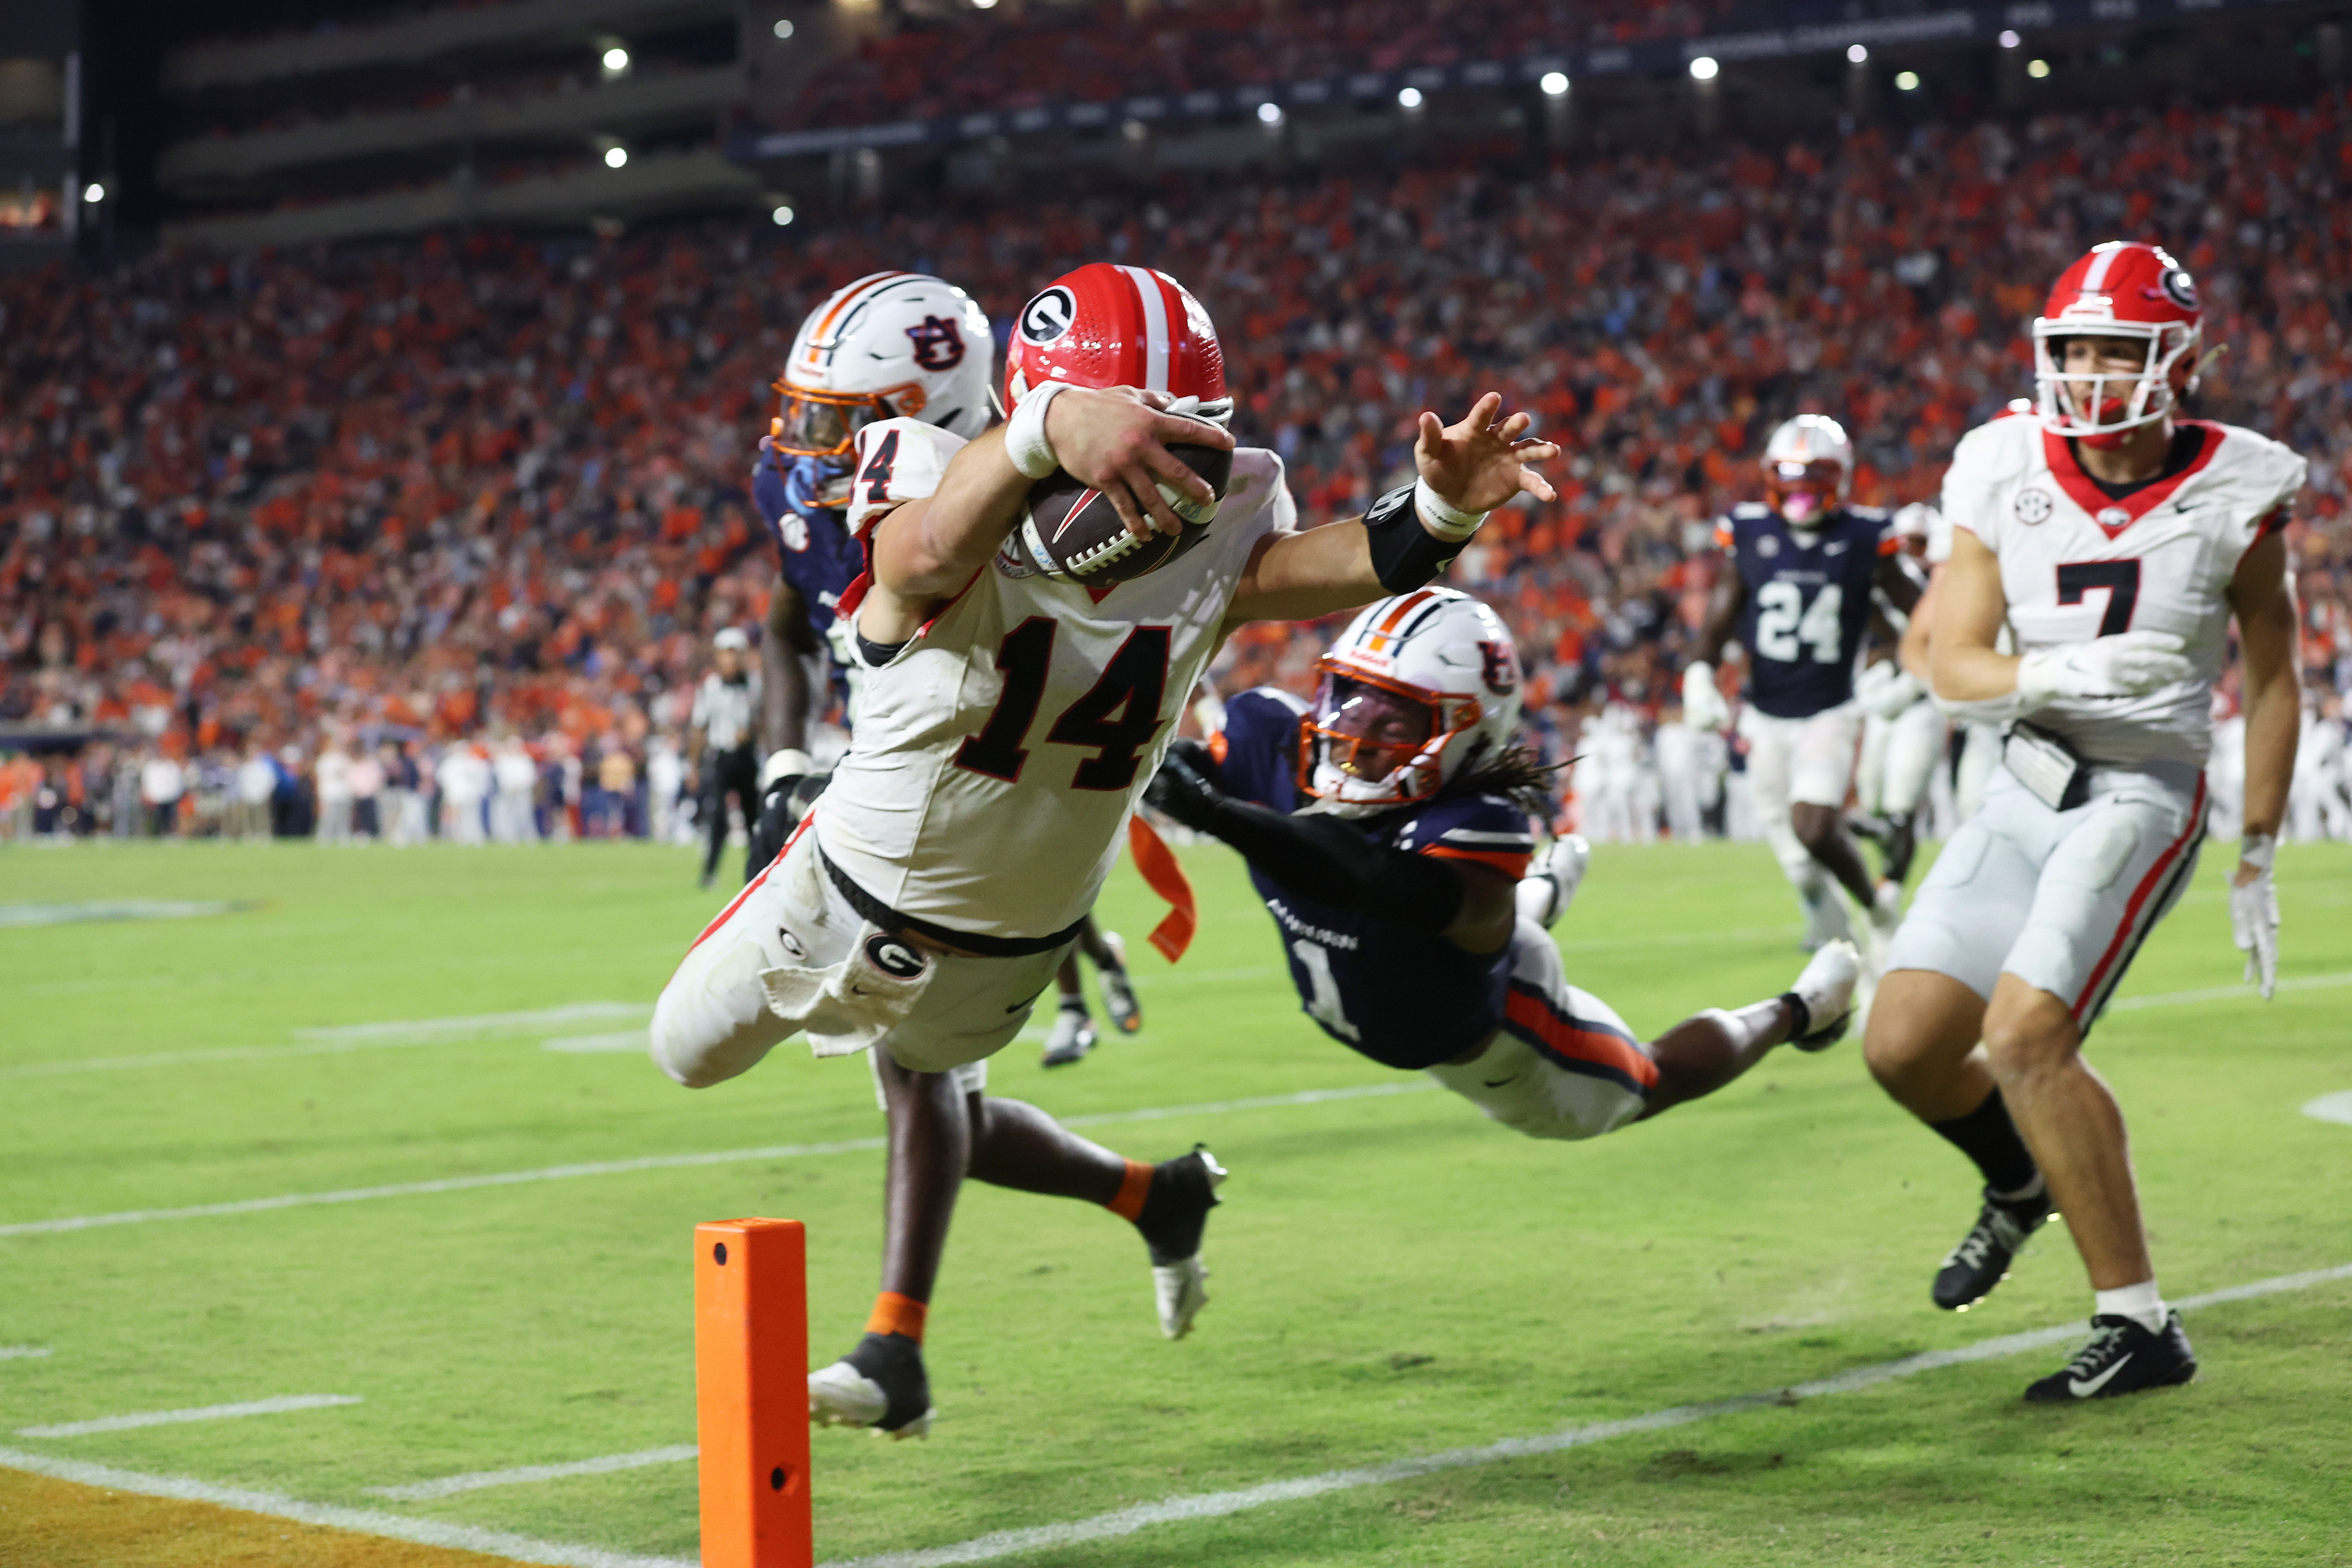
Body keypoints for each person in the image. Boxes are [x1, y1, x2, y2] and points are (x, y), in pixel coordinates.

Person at [651, 260, 1559, 1438]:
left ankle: (972, 1298)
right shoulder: (943, 471)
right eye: (1140, 437)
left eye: (1188, 445)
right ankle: (1111, 1218)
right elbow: (917, 559)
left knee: (712, 1052)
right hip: (978, 908)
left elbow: (1301, 566)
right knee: (894, 1083)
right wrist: (1045, 431)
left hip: (921, 897)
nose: (1170, 472)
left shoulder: (1171, 519)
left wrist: (1438, 514)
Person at [1862, 241, 2307, 1401]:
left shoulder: (2238, 484)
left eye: (2120, 345)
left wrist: (2255, 846)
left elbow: (2270, 677)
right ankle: (2017, 1183)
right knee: (1902, 1044)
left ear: (2181, 358)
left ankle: (2136, 1317)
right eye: (2075, 346)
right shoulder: (1999, 460)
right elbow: (1947, 661)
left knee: (2021, 1038)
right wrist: (2057, 676)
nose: (2095, 370)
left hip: (2139, 791)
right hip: (2022, 776)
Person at [1145, 590, 1861, 1153]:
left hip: (1495, 1031)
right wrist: (1169, 769)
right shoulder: (1268, 731)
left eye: (1395, 721)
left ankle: (1801, 1009)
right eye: (1348, 696)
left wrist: (1215, 814)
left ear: (1466, 734)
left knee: (1645, 1082)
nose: (1354, 735)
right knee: (1480, 921)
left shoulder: (1483, 820)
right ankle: (1543, 892)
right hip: (1426, 962)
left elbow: (1372, 880)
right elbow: (1185, 771)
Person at [1681, 416, 1921, 960]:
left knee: (1812, 827)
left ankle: (1878, 907)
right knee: (1801, 869)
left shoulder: (1865, 536)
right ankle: (1844, 952)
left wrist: (1913, 668)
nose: (1800, 506)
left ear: (1838, 485)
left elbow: (1921, 609)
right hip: (1764, 717)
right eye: (1789, 493)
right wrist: (1699, 674)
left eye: (1813, 493)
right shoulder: (1748, 530)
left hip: (1830, 710)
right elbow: (1720, 618)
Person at [1848, 503, 1945, 888]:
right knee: (1871, 800)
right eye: (1904, 543)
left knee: (1902, 804)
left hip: (1921, 698)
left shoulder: (1949, 584)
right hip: (1883, 694)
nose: (1910, 552)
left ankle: (1892, 886)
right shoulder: (1884, 581)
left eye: (1920, 544)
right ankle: (1886, 872)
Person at [688, 628, 762, 886]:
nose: (729, 660)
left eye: (734, 654)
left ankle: (757, 871)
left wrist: (751, 733)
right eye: (725, 654)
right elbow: (699, 727)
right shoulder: (711, 686)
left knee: (752, 815)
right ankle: (709, 873)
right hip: (721, 757)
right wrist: (694, 767)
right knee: (718, 815)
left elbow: (764, 720)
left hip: (746, 757)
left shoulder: (754, 683)